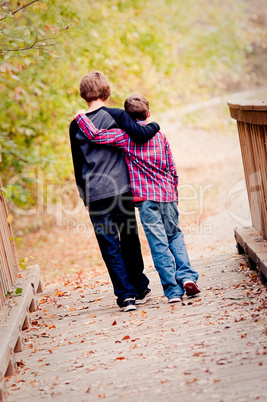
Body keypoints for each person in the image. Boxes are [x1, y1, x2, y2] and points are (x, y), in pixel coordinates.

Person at [74, 94, 200, 303]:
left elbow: (95, 136)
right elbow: (172, 168)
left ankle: (173, 292)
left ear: (127, 119)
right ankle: (186, 276)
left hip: (145, 200)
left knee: (158, 244)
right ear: (148, 114)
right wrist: (174, 194)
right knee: (175, 235)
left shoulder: (123, 137)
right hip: (167, 195)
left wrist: (80, 117)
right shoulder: (160, 136)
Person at [69, 72, 160, 311]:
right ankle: (140, 288)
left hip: (95, 193)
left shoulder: (76, 124)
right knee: (129, 239)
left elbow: (77, 164)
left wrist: (84, 197)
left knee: (108, 245)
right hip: (121, 189)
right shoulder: (118, 115)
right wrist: (156, 124)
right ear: (106, 91)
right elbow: (140, 137)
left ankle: (125, 296)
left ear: (84, 94)